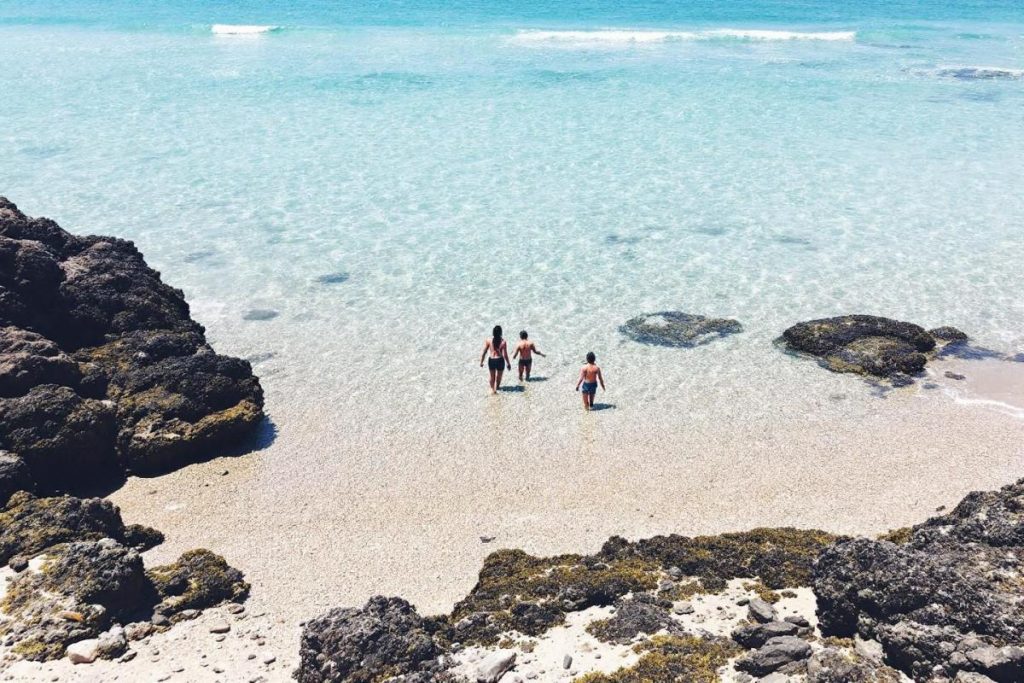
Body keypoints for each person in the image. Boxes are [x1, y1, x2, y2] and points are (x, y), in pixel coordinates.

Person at [479, 325, 512, 394]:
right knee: (499, 377)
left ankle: (492, 390)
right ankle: (497, 388)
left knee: (492, 376)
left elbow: (484, 352)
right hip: (500, 360)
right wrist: (508, 363)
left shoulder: (489, 340)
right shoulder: (503, 342)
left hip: (492, 360)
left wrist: (481, 361)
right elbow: (505, 354)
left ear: (493, 332)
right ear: (501, 333)